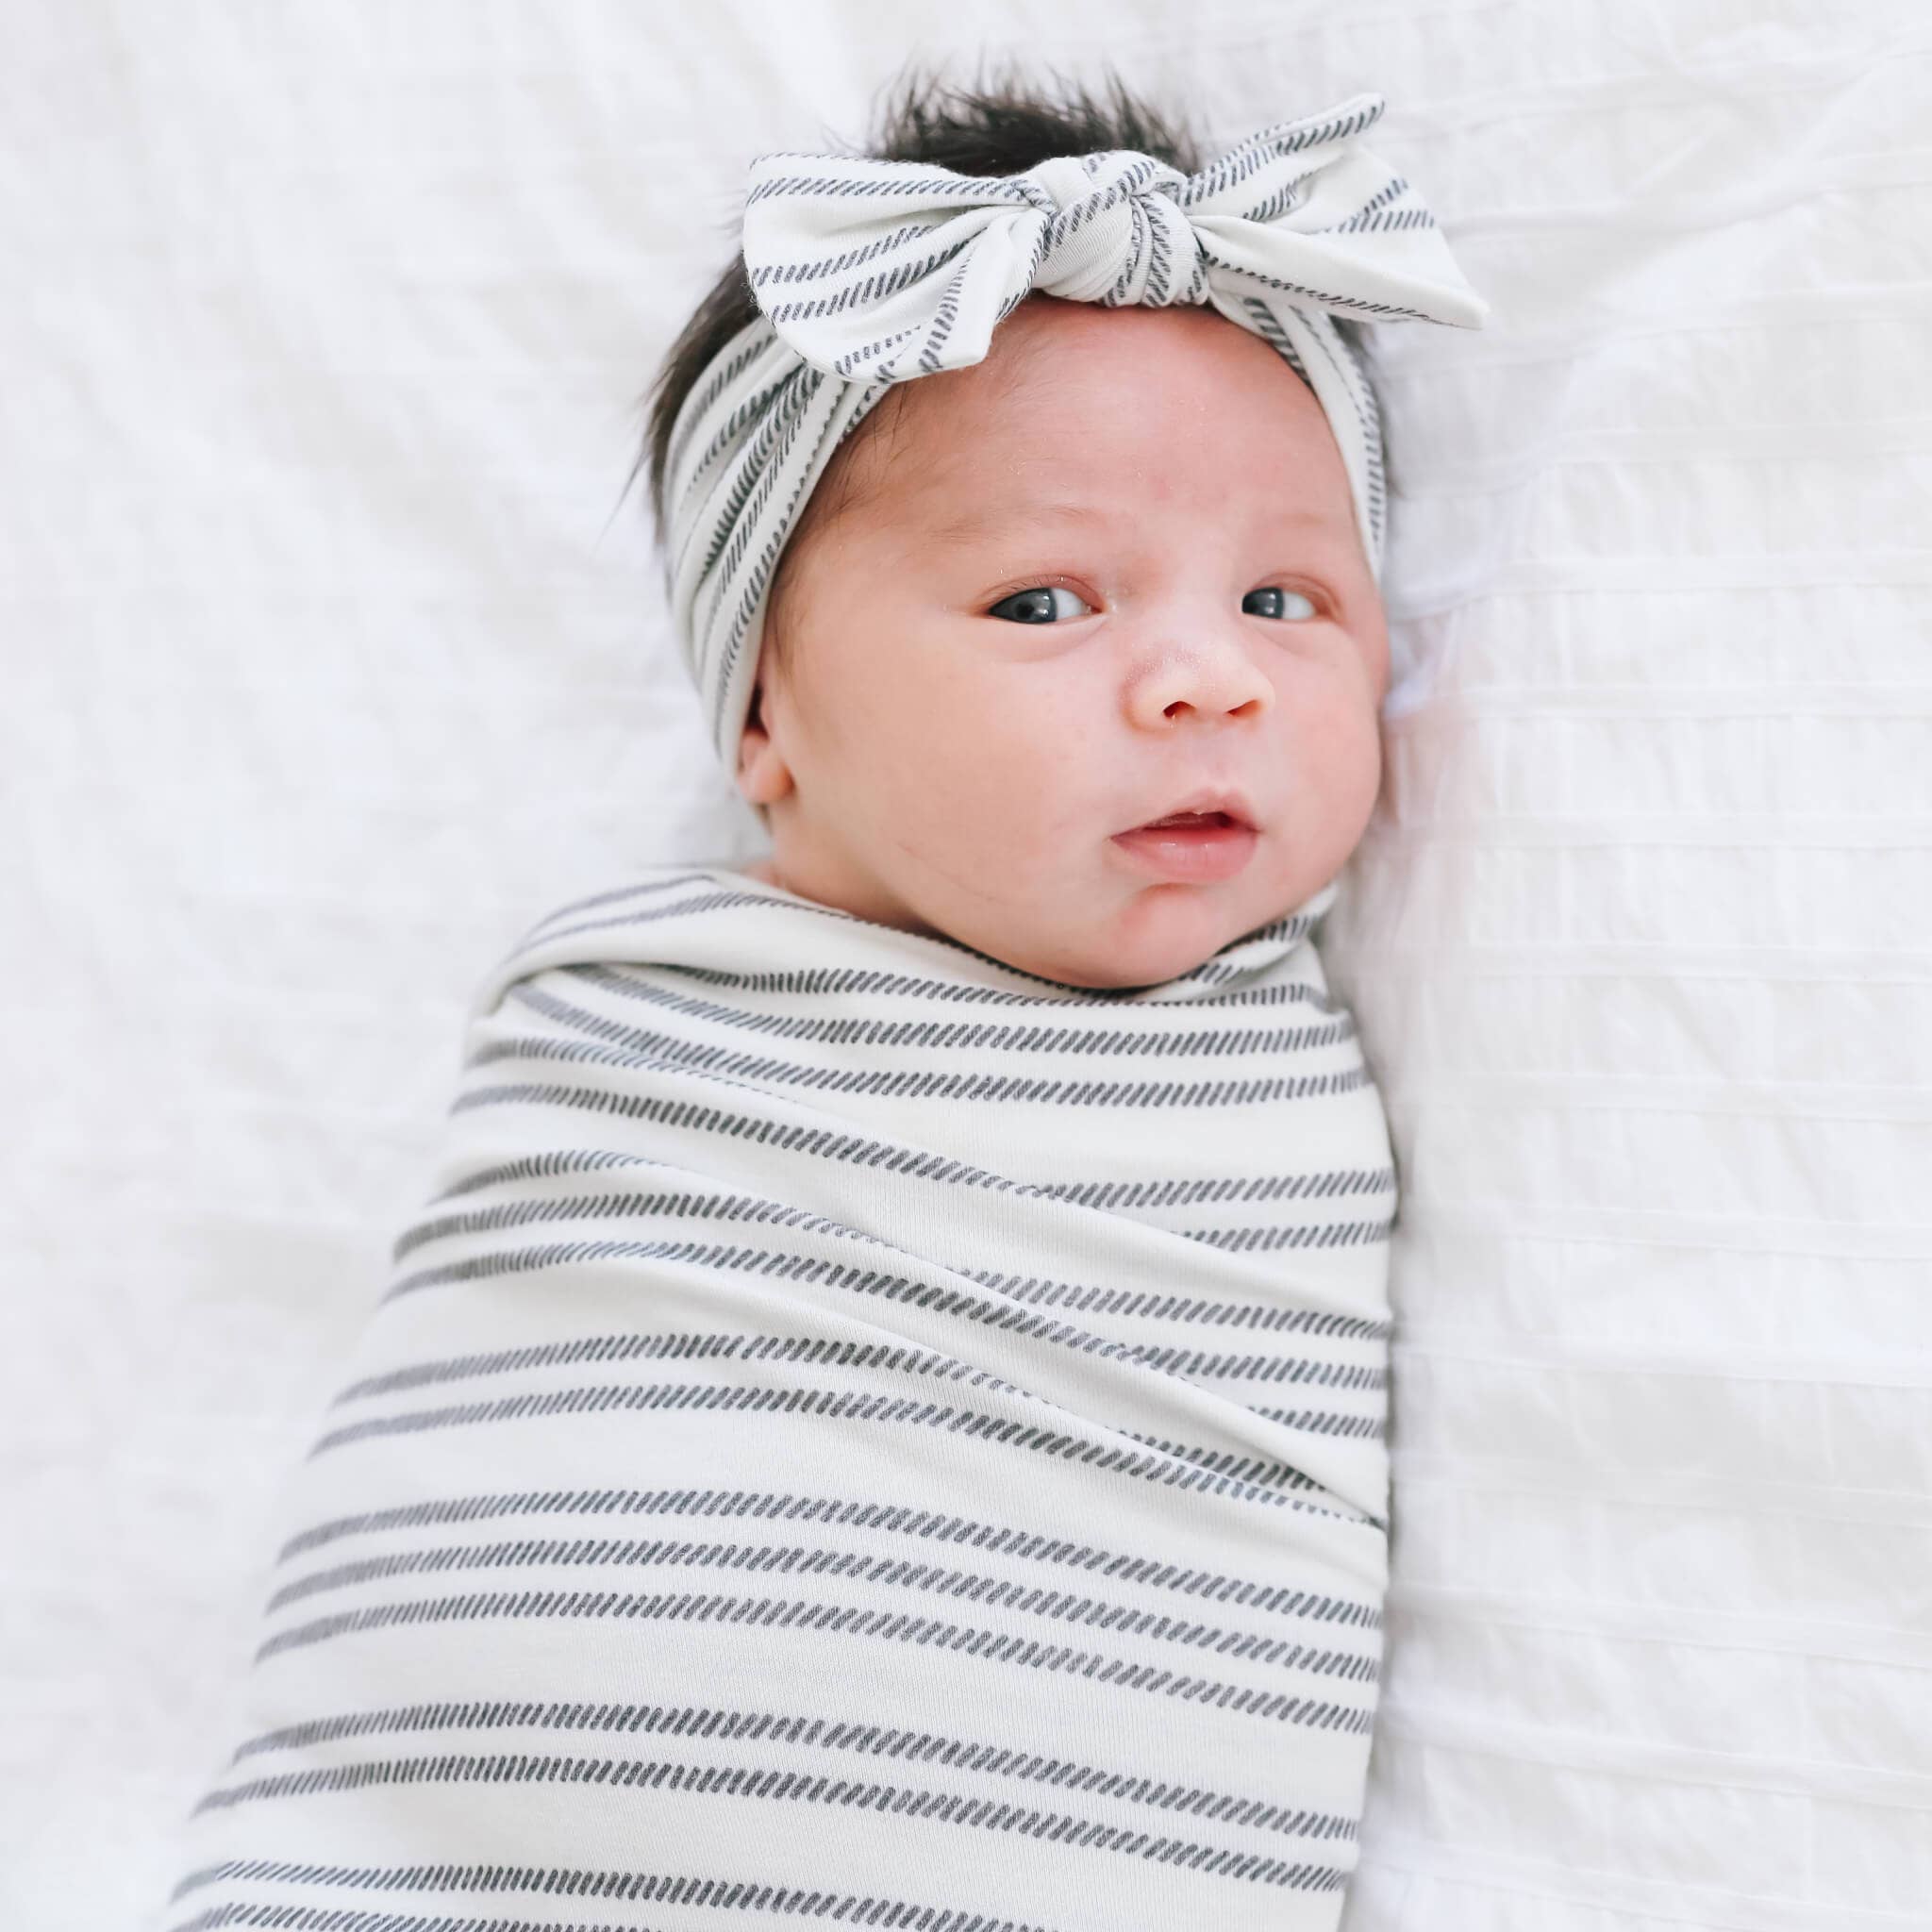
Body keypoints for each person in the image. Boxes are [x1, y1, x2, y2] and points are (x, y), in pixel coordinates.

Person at [151, 57, 1486, 1932]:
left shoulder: (1274, 1076)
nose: (1212, 678)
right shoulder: (625, 1024)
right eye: (1046, 603)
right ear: (763, 706)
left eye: (1285, 601)